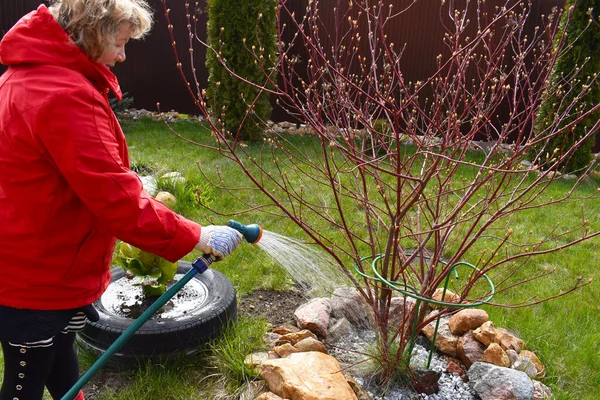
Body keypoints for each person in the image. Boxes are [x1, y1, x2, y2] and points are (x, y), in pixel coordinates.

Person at [0, 1, 242, 399]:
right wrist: (199, 235)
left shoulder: (26, 75)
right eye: (121, 42)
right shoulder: (65, 95)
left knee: (62, 365)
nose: (123, 55)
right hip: (36, 277)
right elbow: (117, 202)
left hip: (30, 258)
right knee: (23, 386)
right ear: (94, 32)